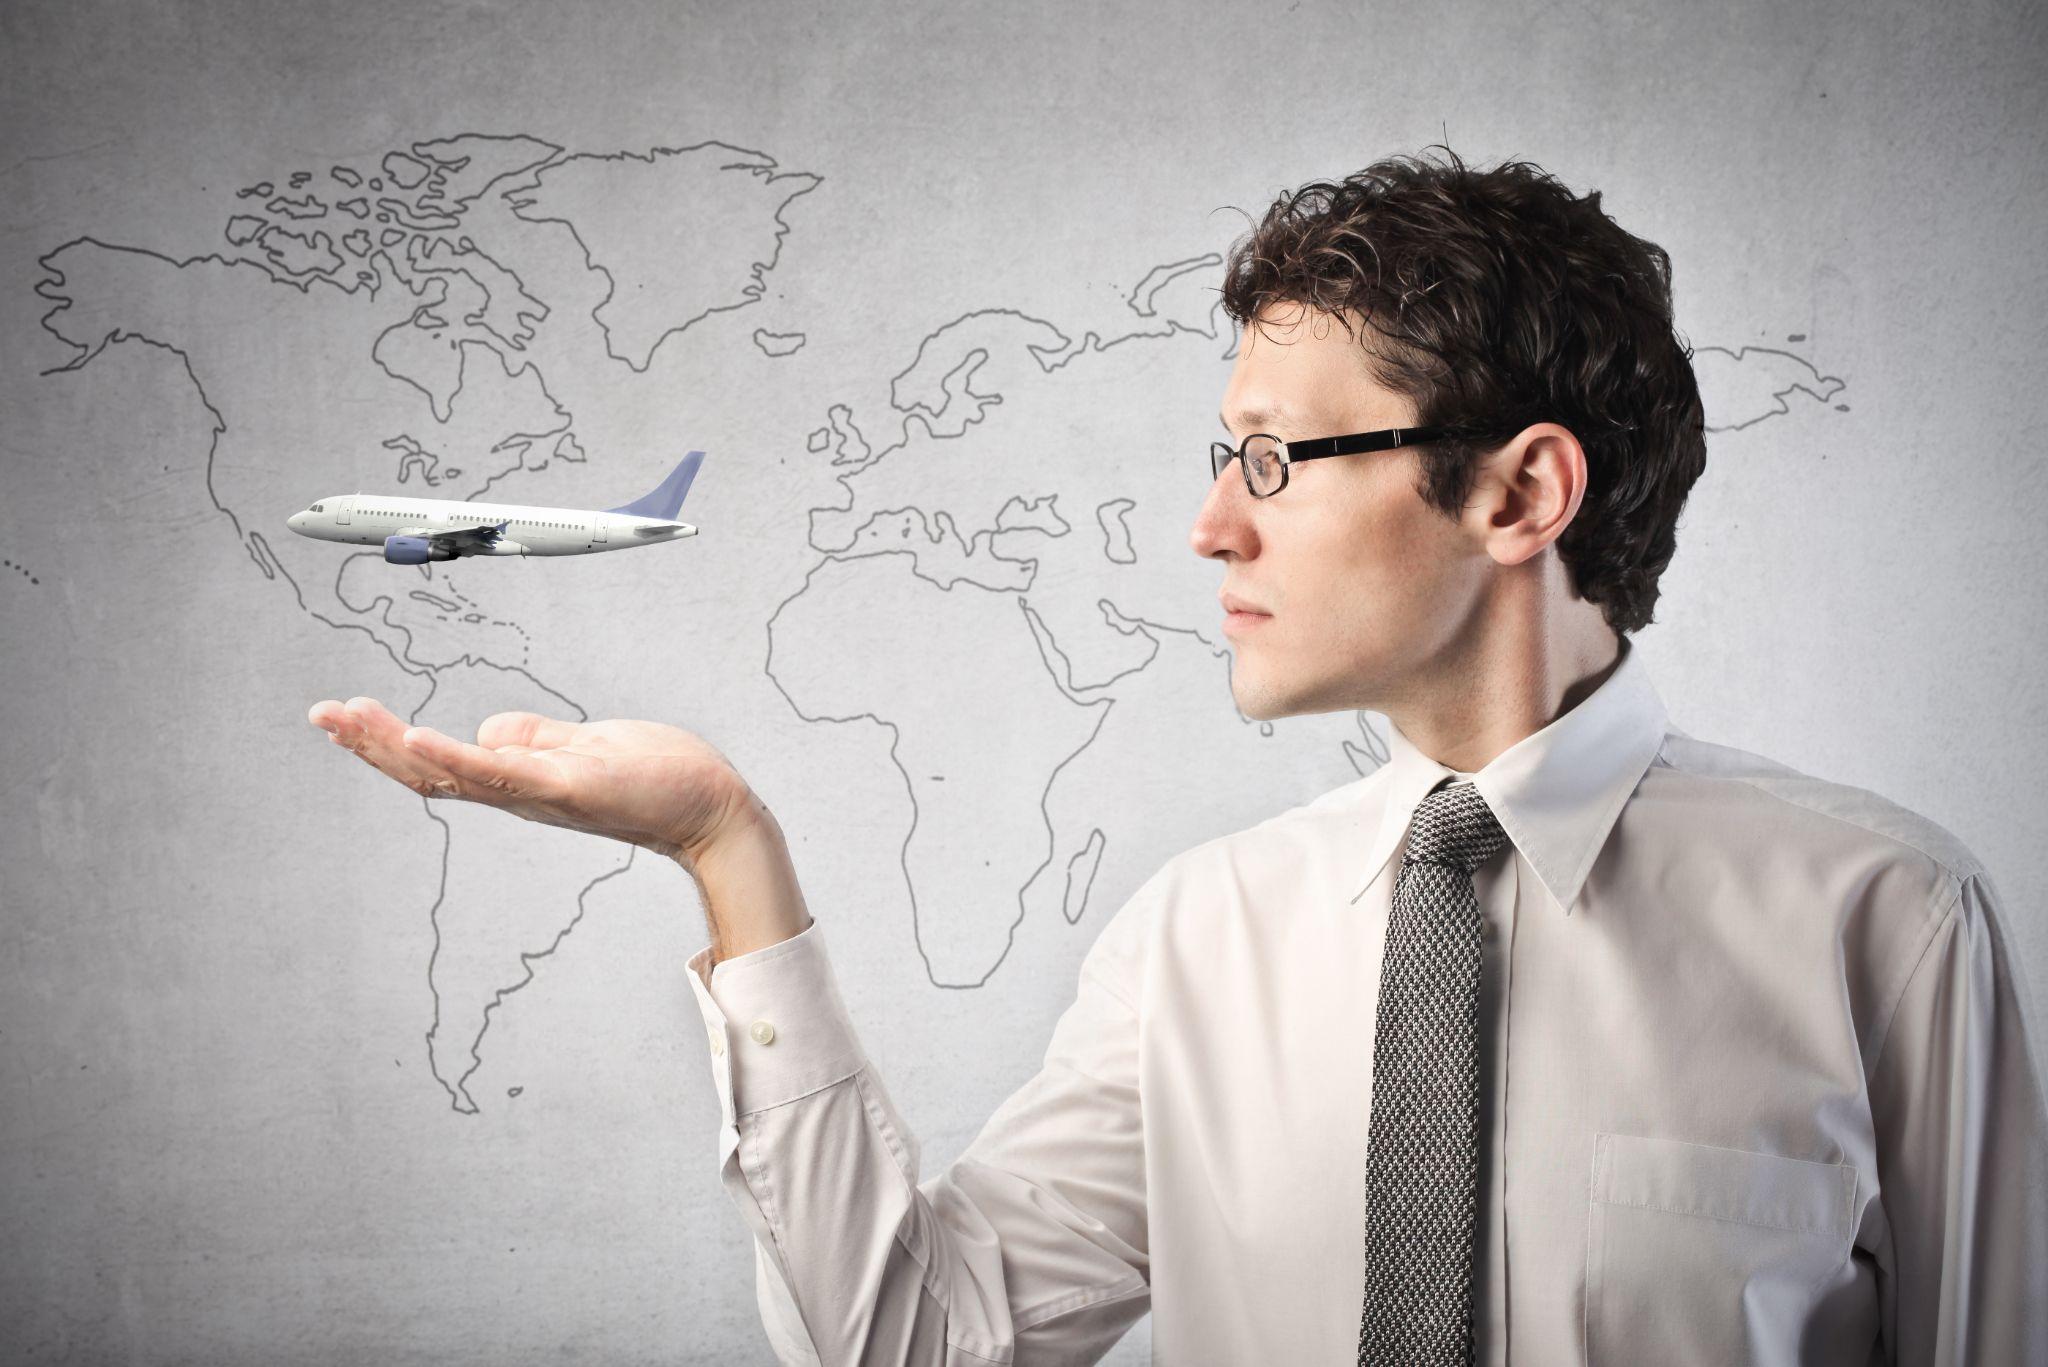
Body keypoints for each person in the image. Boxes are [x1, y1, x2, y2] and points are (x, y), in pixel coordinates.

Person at [309, 146, 2048, 1365]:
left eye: (1277, 460)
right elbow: (916, 1345)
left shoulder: (1881, 920)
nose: (1210, 528)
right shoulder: (1193, 939)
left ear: (1522, 492)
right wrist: (726, 852)